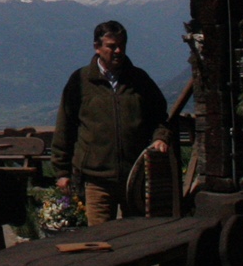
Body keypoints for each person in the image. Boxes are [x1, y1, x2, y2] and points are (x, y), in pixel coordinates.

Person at [52, 19, 171, 226]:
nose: (118, 51)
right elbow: (65, 126)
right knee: (100, 239)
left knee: (135, 236)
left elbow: (160, 116)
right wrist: (62, 172)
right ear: (97, 48)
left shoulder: (139, 80)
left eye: (121, 45)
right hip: (96, 178)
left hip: (135, 177)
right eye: (111, 46)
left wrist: (160, 137)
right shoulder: (80, 81)